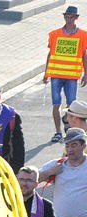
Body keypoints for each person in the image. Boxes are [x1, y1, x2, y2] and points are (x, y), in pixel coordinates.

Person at [44, 6, 87, 142]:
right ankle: (58, 132)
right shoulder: (55, 34)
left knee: (71, 105)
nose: (68, 19)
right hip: (56, 74)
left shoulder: (83, 35)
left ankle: (70, 131)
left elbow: (84, 54)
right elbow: (50, 54)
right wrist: (46, 73)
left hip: (71, 77)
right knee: (56, 104)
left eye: (71, 16)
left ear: (76, 18)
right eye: (66, 16)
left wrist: (86, 73)